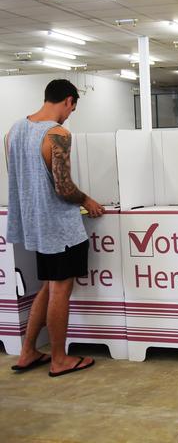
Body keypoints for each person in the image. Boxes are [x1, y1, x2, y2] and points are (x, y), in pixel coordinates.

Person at [7, 79, 105, 377]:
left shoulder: (14, 131)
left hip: (34, 225)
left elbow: (17, 177)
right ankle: (59, 359)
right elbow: (63, 188)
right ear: (68, 100)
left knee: (47, 286)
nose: (70, 114)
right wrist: (87, 199)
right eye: (72, 108)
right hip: (59, 227)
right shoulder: (58, 133)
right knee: (61, 290)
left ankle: (28, 352)